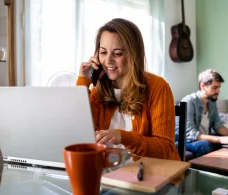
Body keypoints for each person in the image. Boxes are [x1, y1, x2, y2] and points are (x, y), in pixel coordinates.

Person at [76, 18, 180, 161]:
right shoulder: (98, 90)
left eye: (117, 53)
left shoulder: (158, 87)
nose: (108, 61)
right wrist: (84, 80)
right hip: (111, 173)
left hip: (152, 174)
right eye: (103, 52)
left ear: (133, 55)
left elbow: (165, 149)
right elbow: (77, 135)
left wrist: (123, 137)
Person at [176, 69, 228, 157]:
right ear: (203, 86)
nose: (218, 91)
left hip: (203, 138)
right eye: (215, 87)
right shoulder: (189, 101)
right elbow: (190, 134)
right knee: (205, 145)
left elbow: (218, 126)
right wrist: (220, 139)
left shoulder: (211, 102)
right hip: (186, 140)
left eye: (219, 88)